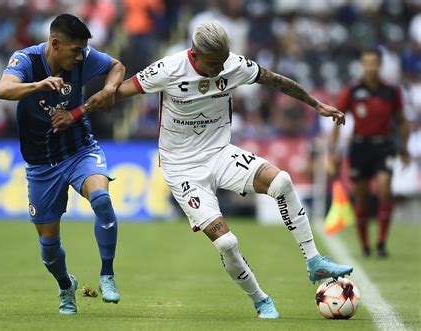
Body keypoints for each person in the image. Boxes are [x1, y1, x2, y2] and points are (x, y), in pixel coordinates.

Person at [53, 21, 354, 319]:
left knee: (282, 181)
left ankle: (314, 261)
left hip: (220, 153)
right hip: (182, 167)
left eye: (223, 62)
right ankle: (261, 300)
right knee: (227, 242)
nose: (220, 69)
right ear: (195, 55)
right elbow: (116, 94)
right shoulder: (167, 70)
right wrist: (76, 113)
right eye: (213, 64)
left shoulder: (232, 65)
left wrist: (316, 104)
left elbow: (275, 80)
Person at [0, 14, 125, 314]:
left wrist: (108, 89)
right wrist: (38, 85)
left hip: (79, 150)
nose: (81, 57)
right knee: (49, 248)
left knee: (102, 200)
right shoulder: (26, 60)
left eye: (83, 51)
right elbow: (4, 90)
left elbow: (117, 67)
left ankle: (107, 274)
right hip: (42, 163)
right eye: (75, 51)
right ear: (55, 44)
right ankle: (65, 286)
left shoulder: (84, 58)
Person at [329, 48, 410, 258]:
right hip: (360, 147)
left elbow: (401, 121)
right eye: (366, 63)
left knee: (384, 189)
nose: (370, 67)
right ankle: (365, 245)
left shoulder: (391, 91)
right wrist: (333, 152)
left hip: (384, 146)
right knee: (361, 196)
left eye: (374, 62)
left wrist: (404, 148)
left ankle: (381, 242)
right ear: (362, 65)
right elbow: (337, 121)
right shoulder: (352, 90)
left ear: (380, 64)